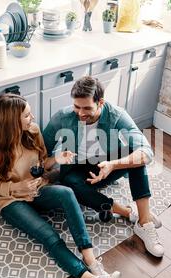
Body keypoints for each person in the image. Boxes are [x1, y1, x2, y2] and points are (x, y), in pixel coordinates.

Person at [0, 93, 120, 278]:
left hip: (38, 190)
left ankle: (91, 260)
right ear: (12, 122)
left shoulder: (32, 131)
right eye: (27, 116)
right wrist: (18, 187)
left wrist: (56, 158)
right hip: (11, 202)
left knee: (67, 192)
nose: (33, 118)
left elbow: (41, 164)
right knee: (49, 236)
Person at [43, 76, 164, 258]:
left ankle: (144, 222)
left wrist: (113, 165)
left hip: (107, 165)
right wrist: (54, 161)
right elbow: (43, 149)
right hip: (77, 169)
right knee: (69, 182)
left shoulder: (116, 115)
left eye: (87, 108)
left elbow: (147, 152)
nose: (81, 113)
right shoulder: (63, 116)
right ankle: (127, 212)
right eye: (77, 106)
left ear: (100, 103)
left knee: (136, 155)